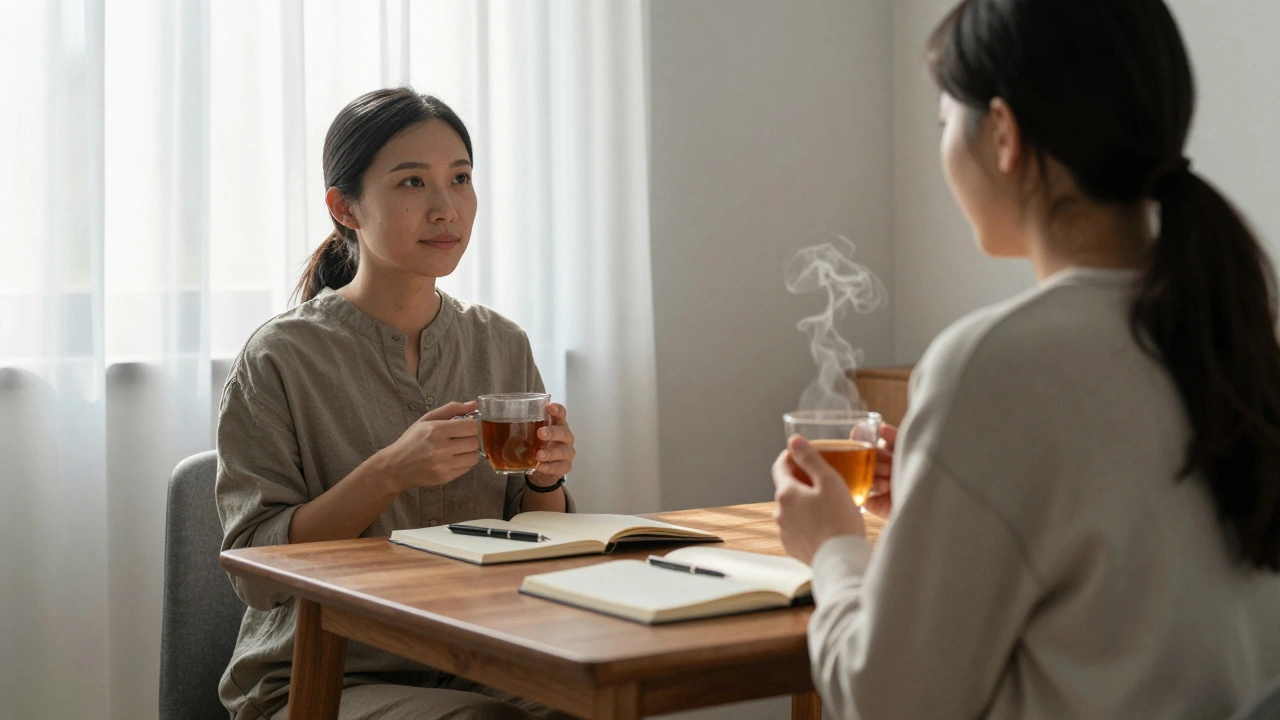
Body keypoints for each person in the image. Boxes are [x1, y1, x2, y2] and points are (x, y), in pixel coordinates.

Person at [772, 1, 1280, 717]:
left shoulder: (993, 365)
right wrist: (931, 499)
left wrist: (833, 549)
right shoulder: (1237, 336)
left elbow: (887, 702)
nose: (943, 148)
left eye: (945, 123)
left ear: (1004, 134)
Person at [215, 88, 576, 720]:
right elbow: (254, 573)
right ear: (344, 207)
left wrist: (548, 478)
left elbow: (539, 534)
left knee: (598, 703)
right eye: (412, 182)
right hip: (321, 676)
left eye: (460, 179)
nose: (446, 208)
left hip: (480, 658)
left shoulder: (501, 343)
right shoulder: (279, 358)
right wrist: (390, 472)